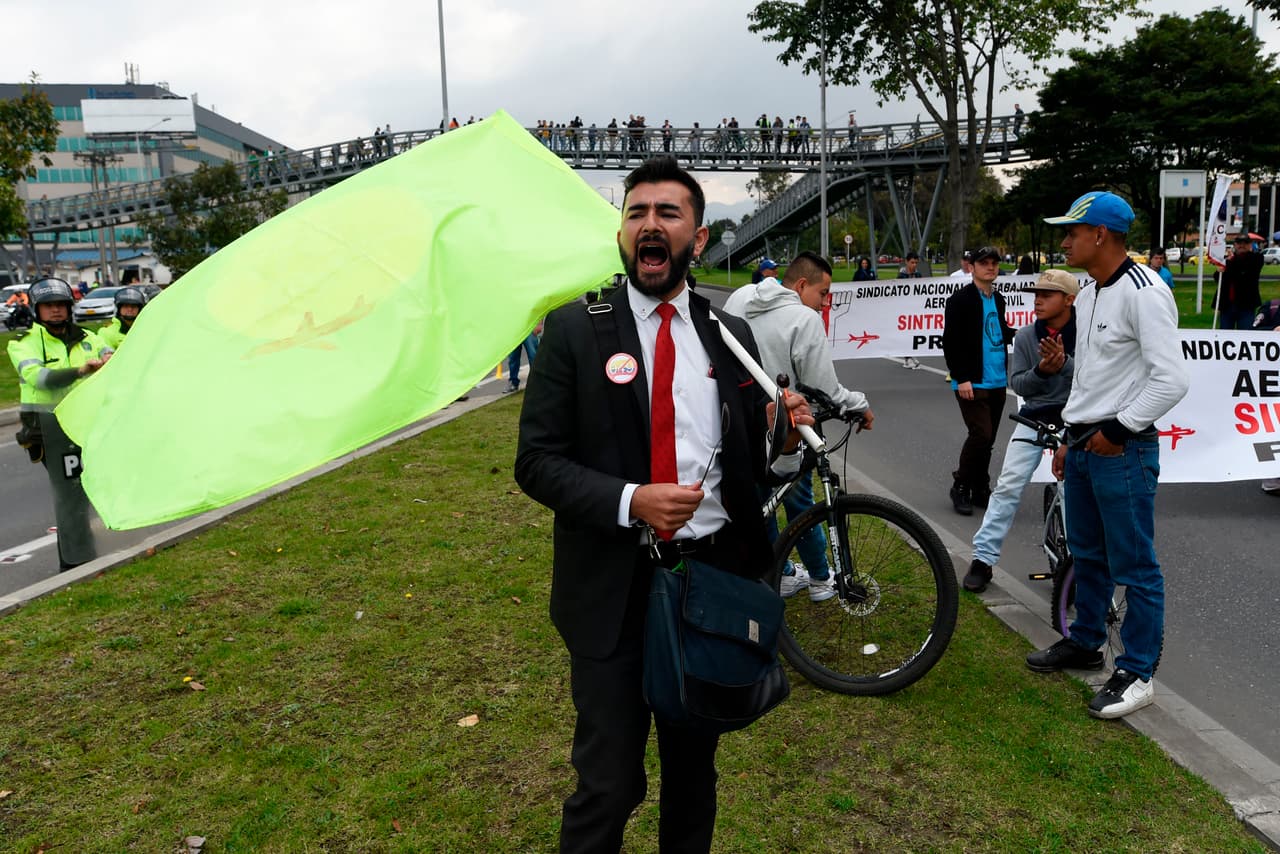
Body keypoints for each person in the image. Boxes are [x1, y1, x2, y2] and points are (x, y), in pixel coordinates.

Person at [514, 155, 811, 853]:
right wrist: (629, 500)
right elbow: (536, 461)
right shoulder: (575, 331)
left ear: (698, 239)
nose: (650, 224)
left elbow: (746, 464)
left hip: (704, 589)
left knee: (692, 779)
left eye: (667, 213)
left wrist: (777, 426)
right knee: (610, 784)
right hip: (612, 594)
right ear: (623, 233)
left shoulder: (726, 334)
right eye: (636, 212)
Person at [1026, 191, 1189, 720]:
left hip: (1122, 448)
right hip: (1084, 445)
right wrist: (1068, 438)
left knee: (1135, 565)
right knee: (1089, 556)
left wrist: (1119, 428)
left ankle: (1138, 672)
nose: (1064, 241)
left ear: (1100, 234)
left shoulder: (1145, 292)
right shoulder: (1093, 291)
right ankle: (1087, 641)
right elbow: (1094, 374)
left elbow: (1172, 379)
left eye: (1072, 232)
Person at [723, 251, 874, 600]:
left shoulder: (741, 297)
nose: (825, 305)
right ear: (802, 285)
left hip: (740, 426)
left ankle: (780, 572)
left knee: (762, 504)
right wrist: (860, 405)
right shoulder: (803, 320)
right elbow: (826, 390)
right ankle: (822, 579)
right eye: (823, 294)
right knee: (800, 500)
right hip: (787, 428)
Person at [963, 269, 1078, 592]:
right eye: (1036, 295)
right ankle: (982, 560)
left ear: (1069, 300)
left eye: (1047, 295)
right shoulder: (1027, 336)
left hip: (1076, 419)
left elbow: (1091, 381)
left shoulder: (1086, 333)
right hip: (1035, 415)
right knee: (1008, 486)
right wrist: (1042, 371)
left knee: (1074, 494)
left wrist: (1064, 364)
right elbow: (1019, 384)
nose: (1038, 301)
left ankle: (1075, 570)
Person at [7, 278, 113, 571]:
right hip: (49, 427)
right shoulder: (23, 344)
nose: (55, 311)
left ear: (69, 308)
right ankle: (75, 563)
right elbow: (39, 379)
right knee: (71, 493)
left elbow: (111, 357)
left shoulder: (91, 338)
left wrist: (111, 358)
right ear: (37, 311)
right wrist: (80, 370)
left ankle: (94, 549)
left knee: (92, 486)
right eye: (48, 306)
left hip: (88, 422)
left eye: (60, 305)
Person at [942, 246, 1015, 515]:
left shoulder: (999, 299)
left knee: (988, 439)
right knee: (980, 435)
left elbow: (999, 332)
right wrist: (962, 378)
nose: (991, 267)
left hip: (996, 380)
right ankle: (961, 485)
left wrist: (1027, 333)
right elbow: (951, 341)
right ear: (972, 267)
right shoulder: (960, 300)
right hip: (972, 380)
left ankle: (980, 487)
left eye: (995, 263)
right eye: (984, 263)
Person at [1214, 234, 1263, 329]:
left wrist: (1229, 262)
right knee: (1225, 334)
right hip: (1227, 305)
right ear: (1235, 245)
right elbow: (1217, 278)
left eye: (1245, 243)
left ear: (1250, 245)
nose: (1242, 245)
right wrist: (1219, 269)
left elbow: (1243, 271)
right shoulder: (1228, 259)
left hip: (1246, 304)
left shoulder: (1257, 258)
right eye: (1239, 243)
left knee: (1245, 334)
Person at [503, 327, 539, 394]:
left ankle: (536, 382)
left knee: (533, 356)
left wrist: (539, 324)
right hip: (515, 329)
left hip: (529, 327)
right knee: (513, 357)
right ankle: (513, 382)